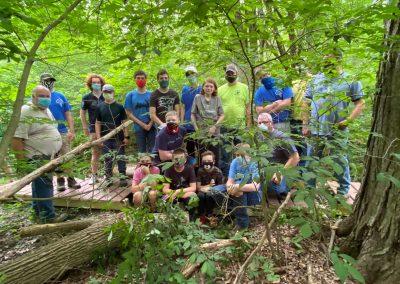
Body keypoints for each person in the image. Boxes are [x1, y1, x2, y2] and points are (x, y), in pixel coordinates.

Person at [304, 52, 365, 195]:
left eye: (329, 59)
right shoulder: (315, 79)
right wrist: (305, 124)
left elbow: (360, 104)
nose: (325, 62)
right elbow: (305, 103)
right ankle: (309, 191)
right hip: (315, 129)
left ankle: (343, 191)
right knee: (311, 160)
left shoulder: (350, 80)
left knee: (340, 161)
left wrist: (348, 120)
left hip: (338, 130)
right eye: (324, 59)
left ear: (338, 60)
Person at [11, 85, 66, 223]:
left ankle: (37, 212)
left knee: (39, 185)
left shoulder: (46, 110)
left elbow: (50, 129)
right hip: (36, 156)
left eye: (48, 96)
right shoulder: (26, 111)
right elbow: (16, 138)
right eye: (42, 96)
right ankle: (48, 217)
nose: (45, 99)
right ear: (33, 97)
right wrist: (22, 162)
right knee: (45, 184)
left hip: (48, 155)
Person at [40, 73, 81, 191]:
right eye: (46, 80)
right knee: (54, 158)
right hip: (47, 133)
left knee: (67, 156)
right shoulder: (39, 98)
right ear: (41, 81)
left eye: (51, 80)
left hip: (62, 131)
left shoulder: (60, 96)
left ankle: (71, 179)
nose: (49, 82)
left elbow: (68, 113)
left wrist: (71, 130)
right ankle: (59, 180)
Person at [257, 113, 300, 199]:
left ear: (271, 123)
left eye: (264, 122)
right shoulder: (259, 137)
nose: (261, 125)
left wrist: (281, 173)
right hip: (265, 171)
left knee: (277, 191)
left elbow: (295, 157)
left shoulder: (281, 137)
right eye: (259, 123)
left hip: (281, 171)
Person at [218, 64, 250, 175]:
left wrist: (248, 125)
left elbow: (247, 107)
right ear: (225, 74)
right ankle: (227, 176)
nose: (230, 75)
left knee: (241, 152)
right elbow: (217, 108)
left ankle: (242, 175)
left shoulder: (244, 87)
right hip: (224, 126)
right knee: (225, 154)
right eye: (228, 73)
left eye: (232, 72)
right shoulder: (220, 89)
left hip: (240, 126)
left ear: (237, 73)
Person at [95, 84, 129, 187]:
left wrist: (127, 136)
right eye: (105, 92)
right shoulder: (99, 106)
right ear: (102, 93)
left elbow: (124, 122)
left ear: (113, 93)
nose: (107, 94)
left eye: (109, 92)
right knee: (107, 159)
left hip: (119, 138)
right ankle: (108, 178)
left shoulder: (119, 106)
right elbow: (97, 123)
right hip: (106, 138)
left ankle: (122, 177)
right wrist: (98, 138)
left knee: (121, 158)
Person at [226, 143, 261, 230]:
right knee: (215, 190)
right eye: (237, 155)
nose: (239, 157)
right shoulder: (235, 162)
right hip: (236, 190)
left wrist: (237, 187)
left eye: (242, 155)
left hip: (253, 194)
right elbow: (229, 181)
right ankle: (228, 218)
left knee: (239, 192)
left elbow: (255, 186)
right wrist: (229, 187)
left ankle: (242, 225)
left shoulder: (255, 163)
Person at [191, 78, 224, 166]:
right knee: (202, 155)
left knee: (215, 155)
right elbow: (193, 114)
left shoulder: (217, 99)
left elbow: (222, 115)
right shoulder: (197, 97)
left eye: (211, 86)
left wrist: (214, 126)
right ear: (203, 87)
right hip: (201, 132)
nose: (208, 88)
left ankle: (216, 176)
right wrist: (196, 129)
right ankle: (202, 177)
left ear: (214, 88)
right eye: (206, 86)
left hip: (214, 132)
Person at [80, 74, 105, 185]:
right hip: (93, 128)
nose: (96, 84)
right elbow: (82, 112)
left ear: (101, 83)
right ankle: (94, 175)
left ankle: (108, 174)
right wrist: (85, 126)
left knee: (109, 151)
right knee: (95, 152)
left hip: (108, 127)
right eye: (94, 82)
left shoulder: (106, 95)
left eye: (98, 82)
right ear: (90, 84)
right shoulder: (87, 97)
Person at [124, 70, 156, 153]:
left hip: (152, 126)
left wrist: (150, 124)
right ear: (134, 79)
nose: (140, 80)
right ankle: (143, 166)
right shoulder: (130, 95)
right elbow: (128, 113)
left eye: (142, 78)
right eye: (138, 78)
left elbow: (155, 111)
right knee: (141, 151)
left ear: (146, 80)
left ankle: (154, 166)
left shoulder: (152, 94)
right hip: (138, 127)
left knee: (153, 150)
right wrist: (143, 125)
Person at [254, 68, 294, 133]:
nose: (263, 78)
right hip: (267, 125)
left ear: (269, 73)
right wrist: (274, 104)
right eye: (260, 77)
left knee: (285, 142)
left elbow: (287, 103)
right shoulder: (259, 92)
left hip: (283, 122)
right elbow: (260, 112)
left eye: (264, 75)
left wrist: (269, 111)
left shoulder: (283, 84)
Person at [196, 151, 225, 223]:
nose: (207, 163)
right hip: (202, 190)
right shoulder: (200, 171)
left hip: (214, 191)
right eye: (204, 161)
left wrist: (210, 189)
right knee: (200, 196)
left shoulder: (218, 172)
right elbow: (198, 187)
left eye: (209, 161)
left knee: (209, 196)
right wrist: (208, 186)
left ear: (214, 161)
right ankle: (202, 216)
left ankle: (210, 215)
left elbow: (221, 187)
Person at [180, 66, 202, 159]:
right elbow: (183, 107)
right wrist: (182, 122)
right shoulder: (185, 89)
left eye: (192, 73)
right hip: (188, 123)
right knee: (190, 149)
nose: (190, 76)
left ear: (196, 74)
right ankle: (192, 170)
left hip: (200, 124)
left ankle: (202, 169)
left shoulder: (202, 88)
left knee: (201, 149)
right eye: (188, 74)